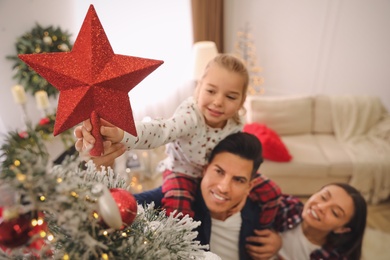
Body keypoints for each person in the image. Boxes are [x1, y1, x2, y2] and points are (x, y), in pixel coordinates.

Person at [74, 54, 281, 227]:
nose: (218, 102)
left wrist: (245, 194)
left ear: (242, 102)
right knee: (180, 215)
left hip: (213, 173)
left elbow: (240, 160)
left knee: (271, 191)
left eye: (231, 97)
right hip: (181, 171)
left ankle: (260, 230)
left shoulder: (237, 123)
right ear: (198, 88)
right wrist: (122, 134)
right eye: (211, 91)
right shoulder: (190, 117)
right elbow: (160, 130)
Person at [134, 132, 282, 260]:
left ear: (249, 186)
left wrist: (278, 243)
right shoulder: (177, 198)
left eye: (238, 180)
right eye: (219, 172)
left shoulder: (258, 207)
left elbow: (293, 208)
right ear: (204, 170)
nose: (224, 188)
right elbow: (124, 204)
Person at [272, 183, 367, 259]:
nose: (321, 207)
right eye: (323, 197)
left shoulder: (334, 256)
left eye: (335, 212)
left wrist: (276, 249)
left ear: (342, 229)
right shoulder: (288, 207)